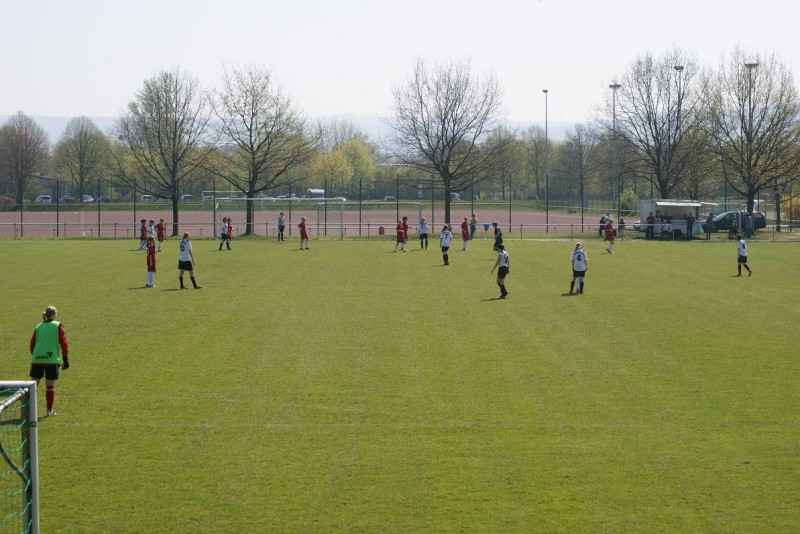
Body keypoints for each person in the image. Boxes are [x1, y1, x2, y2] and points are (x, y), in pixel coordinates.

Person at [29, 305, 69, 417]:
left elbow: (32, 343)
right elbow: (64, 342)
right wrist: (65, 359)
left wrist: (35, 355)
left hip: (37, 359)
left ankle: (28, 410)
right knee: (50, 385)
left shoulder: (38, 326)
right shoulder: (58, 325)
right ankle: (49, 411)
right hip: (51, 360)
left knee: (33, 386)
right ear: (55, 314)